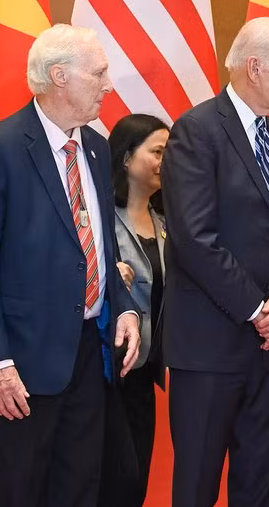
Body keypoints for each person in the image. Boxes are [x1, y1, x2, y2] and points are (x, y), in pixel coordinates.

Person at [0, 24, 140, 507]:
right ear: (60, 76)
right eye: (98, 73)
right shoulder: (0, 149)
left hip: (86, 354)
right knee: (19, 491)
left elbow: (102, 247)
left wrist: (122, 308)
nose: (108, 84)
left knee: (79, 488)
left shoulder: (97, 148)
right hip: (20, 360)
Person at [160, 17, 269, 507]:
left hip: (267, 352)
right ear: (255, 67)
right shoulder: (197, 130)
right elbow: (194, 239)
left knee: (261, 482)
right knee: (198, 484)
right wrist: (258, 310)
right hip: (208, 349)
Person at [97, 114, 170, 507]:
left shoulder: (167, 222)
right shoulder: (99, 220)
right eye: (157, 151)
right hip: (105, 372)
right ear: (126, 158)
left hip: (144, 373)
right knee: (113, 480)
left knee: (136, 480)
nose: (165, 160)